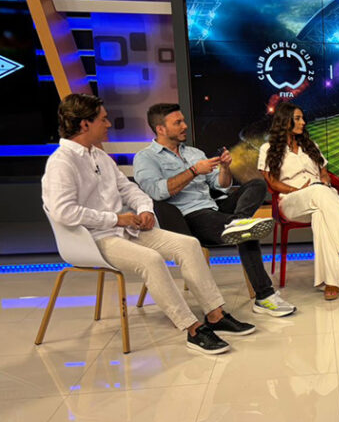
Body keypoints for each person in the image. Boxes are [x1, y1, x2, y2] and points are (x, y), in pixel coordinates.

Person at [42, 94, 255, 354]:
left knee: (188, 245)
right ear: (85, 124)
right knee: (151, 260)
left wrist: (144, 210)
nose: (108, 124)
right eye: (103, 119)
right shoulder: (61, 162)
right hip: (92, 239)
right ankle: (192, 329)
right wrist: (116, 218)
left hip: (124, 229)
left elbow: (129, 189)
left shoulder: (99, 156)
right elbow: (64, 212)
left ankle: (215, 314)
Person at [133, 103, 296, 317]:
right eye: (178, 122)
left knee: (257, 185)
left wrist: (225, 169)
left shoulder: (195, 153)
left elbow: (222, 185)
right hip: (187, 217)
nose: (185, 126)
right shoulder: (145, 158)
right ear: (160, 129)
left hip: (214, 206)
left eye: (183, 121)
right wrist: (193, 171)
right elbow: (157, 192)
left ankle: (238, 222)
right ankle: (264, 296)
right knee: (247, 232)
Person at [259, 102, 339, 300]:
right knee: (319, 192)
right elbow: (271, 182)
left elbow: (323, 171)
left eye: (302, 118)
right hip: (291, 201)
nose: (303, 122)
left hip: (320, 197)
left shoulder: (310, 146)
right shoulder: (268, 148)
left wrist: (324, 180)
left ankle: (331, 282)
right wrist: (296, 190)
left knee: (320, 214)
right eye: (298, 119)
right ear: (285, 121)